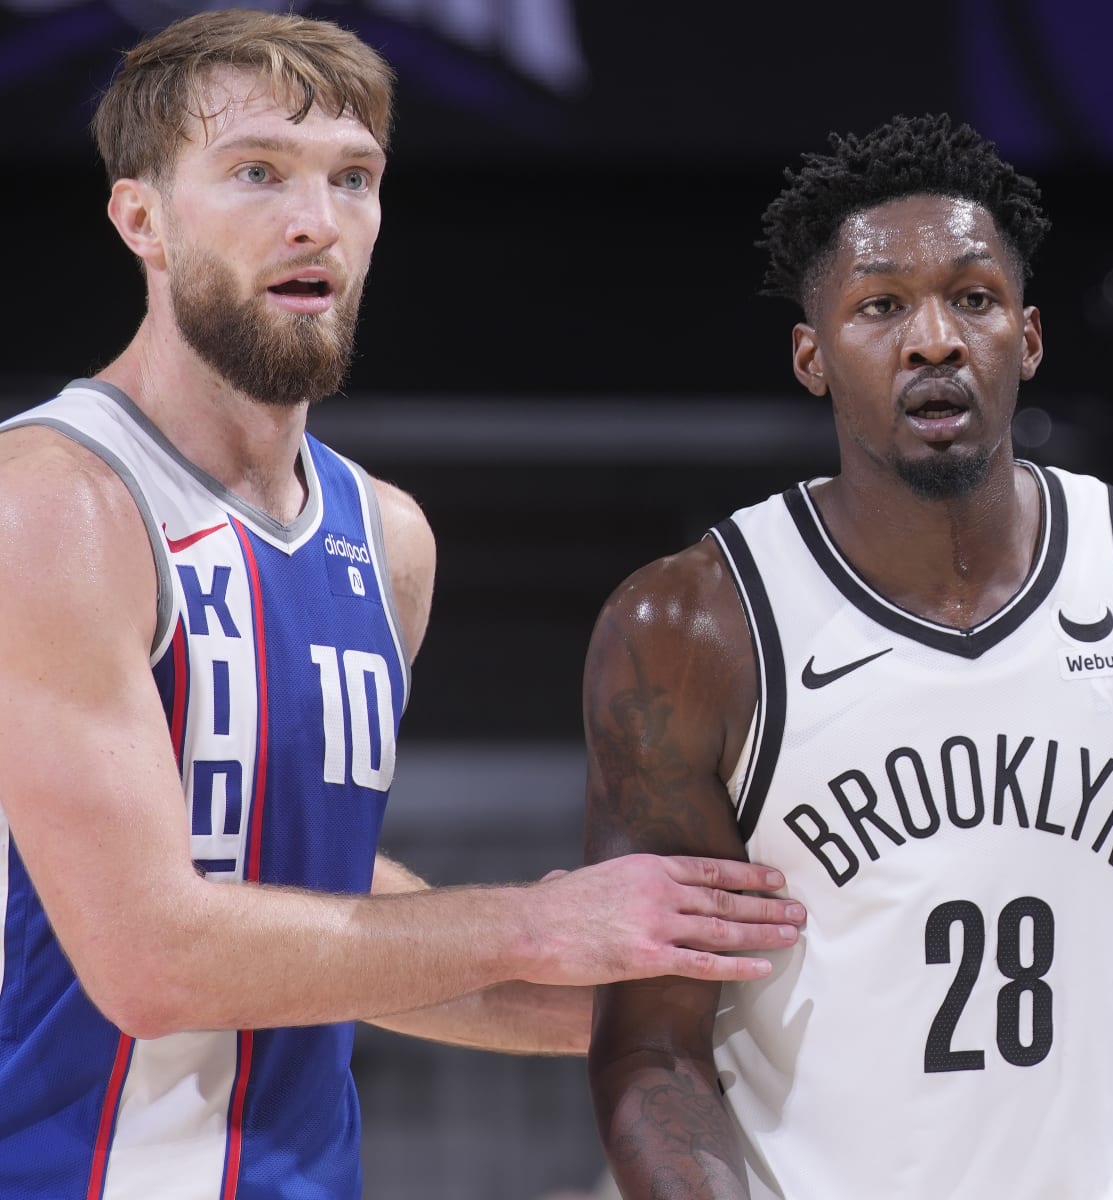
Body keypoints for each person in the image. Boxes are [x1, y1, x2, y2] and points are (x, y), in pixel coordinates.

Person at [0, 12, 801, 1197]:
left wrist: (686, 1010)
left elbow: (325, 923)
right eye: (258, 171)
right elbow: (152, 959)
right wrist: (535, 924)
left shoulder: (387, 539)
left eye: (353, 178)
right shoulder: (52, 504)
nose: (315, 219)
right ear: (141, 219)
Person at [582, 114, 1113, 1199]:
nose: (934, 341)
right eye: (880, 307)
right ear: (811, 357)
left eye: (974, 298)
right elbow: (652, 1047)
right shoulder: (692, 632)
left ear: (1030, 338)